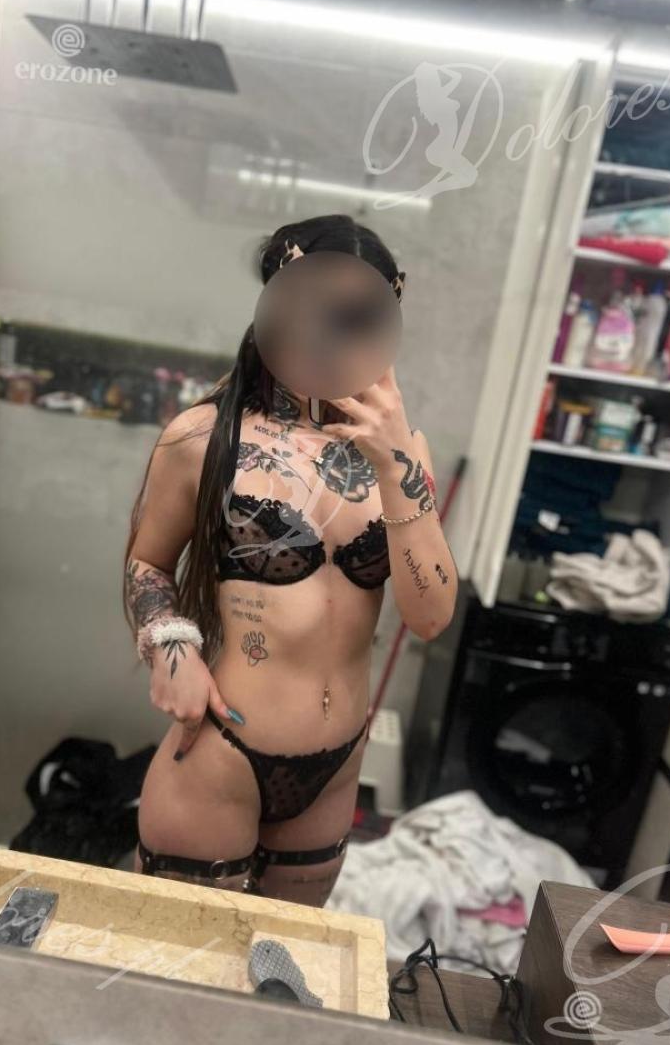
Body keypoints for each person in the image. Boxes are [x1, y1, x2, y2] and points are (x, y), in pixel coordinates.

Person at [123, 214, 457, 907]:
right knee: (182, 964)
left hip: (334, 771)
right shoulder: (202, 436)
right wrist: (170, 649)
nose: (335, 333)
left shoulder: (405, 455)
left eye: (359, 316)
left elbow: (430, 617)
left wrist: (394, 461)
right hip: (222, 755)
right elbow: (148, 563)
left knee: (278, 960)